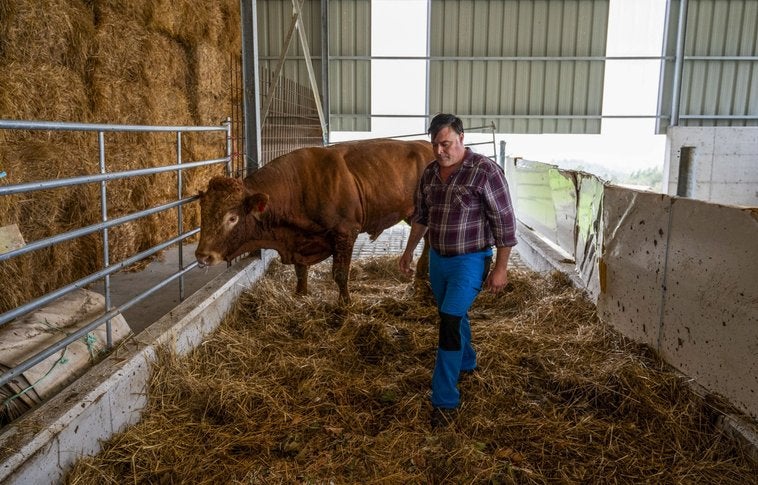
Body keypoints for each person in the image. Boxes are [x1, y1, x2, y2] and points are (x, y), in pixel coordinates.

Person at [398, 113, 517, 427]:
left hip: (472, 259)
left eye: (446, 143)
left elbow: (505, 224)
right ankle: (467, 360)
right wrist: (409, 251)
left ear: (462, 138)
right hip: (439, 260)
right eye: (435, 144)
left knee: (449, 321)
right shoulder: (430, 174)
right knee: (453, 313)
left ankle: (444, 400)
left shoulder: (485, 171)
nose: (440, 151)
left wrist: (501, 268)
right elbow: (421, 216)